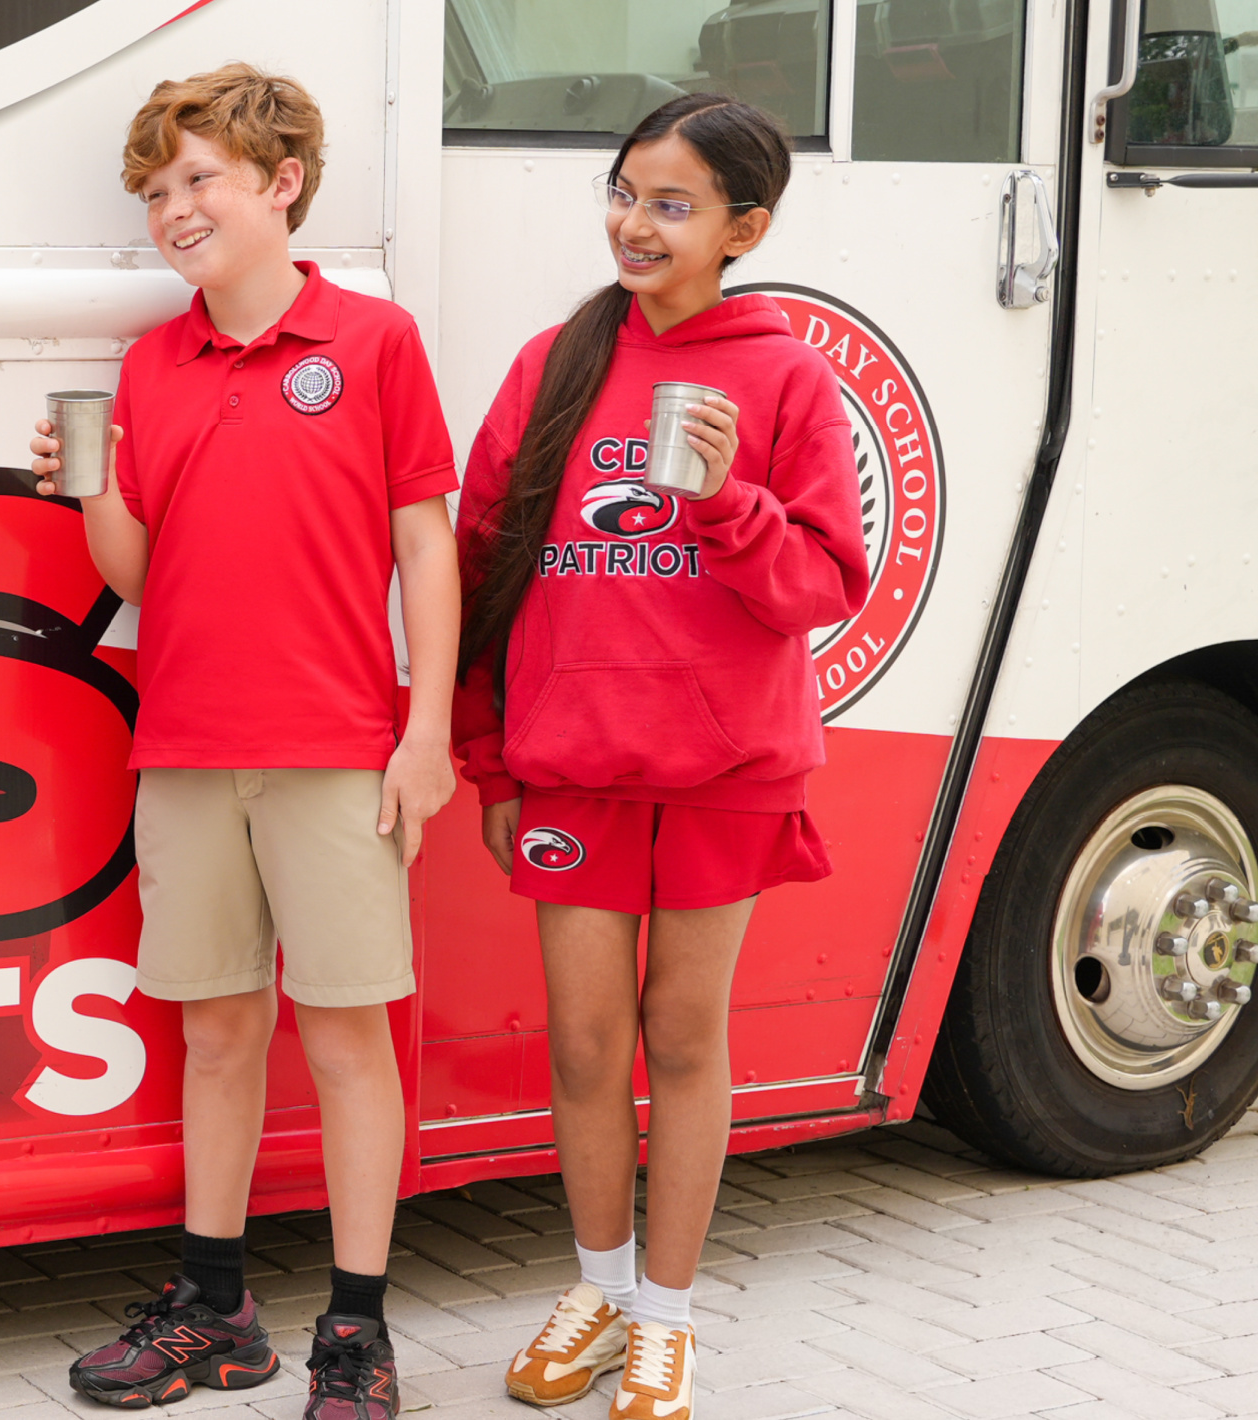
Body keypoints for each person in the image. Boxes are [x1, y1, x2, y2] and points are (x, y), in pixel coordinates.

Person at [28, 64, 459, 1420]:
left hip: (336, 746)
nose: (175, 208)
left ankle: (358, 1332)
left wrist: (428, 728)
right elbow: (138, 576)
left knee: (344, 1039)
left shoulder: (374, 342)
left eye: (200, 179)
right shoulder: (153, 365)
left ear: (282, 185)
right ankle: (215, 1311)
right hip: (188, 746)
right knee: (217, 1032)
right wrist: (87, 486)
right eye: (156, 192)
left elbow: (425, 545)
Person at [455, 96, 867, 1419]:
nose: (636, 222)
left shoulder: (790, 377)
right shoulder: (553, 364)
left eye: (672, 204)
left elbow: (824, 586)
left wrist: (728, 501)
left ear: (745, 228)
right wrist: (490, 759)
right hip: (571, 764)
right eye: (626, 193)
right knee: (582, 1044)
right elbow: (481, 569)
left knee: (682, 1037)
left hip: (725, 772)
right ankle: (598, 1284)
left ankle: (668, 1319)